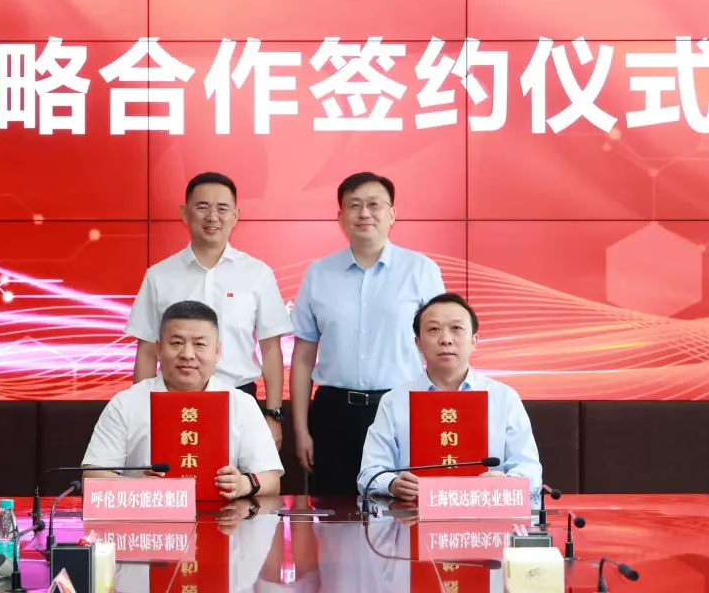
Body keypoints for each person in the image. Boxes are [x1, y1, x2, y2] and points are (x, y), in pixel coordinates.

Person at [289, 171, 446, 494]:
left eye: (374, 204)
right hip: (333, 413)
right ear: (340, 217)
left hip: (400, 408)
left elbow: (440, 349)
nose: (364, 213)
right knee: (334, 511)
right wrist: (301, 430)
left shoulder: (420, 270)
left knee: (401, 507)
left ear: (392, 214)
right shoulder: (319, 273)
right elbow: (303, 356)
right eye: (354, 205)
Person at [124, 172, 292, 447]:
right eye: (202, 207)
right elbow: (146, 351)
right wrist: (140, 412)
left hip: (239, 402)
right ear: (185, 213)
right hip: (173, 403)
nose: (212, 217)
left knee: (238, 474)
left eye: (222, 208)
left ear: (236, 215)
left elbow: (271, 349)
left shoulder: (258, 274)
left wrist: (273, 415)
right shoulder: (159, 275)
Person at [83, 300, 283, 500]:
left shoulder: (241, 404)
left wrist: (244, 484)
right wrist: (138, 486)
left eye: (199, 344)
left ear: (217, 351)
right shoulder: (126, 403)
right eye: (176, 343)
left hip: (224, 516)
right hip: (145, 516)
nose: (187, 354)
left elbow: (272, 480)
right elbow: (91, 477)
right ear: (159, 349)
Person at [357, 292, 542, 504]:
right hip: (412, 516)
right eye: (433, 329)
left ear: (474, 341)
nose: (445, 339)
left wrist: (506, 483)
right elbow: (368, 473)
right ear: (418, 343)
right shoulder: (394, 401)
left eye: (456, 328)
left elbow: (530, 471)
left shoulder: (504, 398)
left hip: (488, 515)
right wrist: (391, 484)